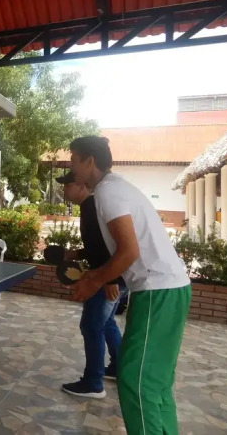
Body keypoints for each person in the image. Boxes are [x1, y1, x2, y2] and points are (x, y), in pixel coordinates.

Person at [69, 136, 191, 434]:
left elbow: (128, 252)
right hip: (169, 289)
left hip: (157, 291)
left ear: (89, 161)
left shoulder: (108, 191)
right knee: (156, 382)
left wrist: (96, 282)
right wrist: (95, 275)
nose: (71, 167)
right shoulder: (116, 187)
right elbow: (124, 252)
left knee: (137, 382)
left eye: (74, 160)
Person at [55, 171, 128, 398]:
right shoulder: (91, 206)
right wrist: (73, 254)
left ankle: (93, 383)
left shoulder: (90, 207)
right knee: (106, 323)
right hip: (117, 275)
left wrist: (109, 280)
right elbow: (97, 245)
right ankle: (118, 367)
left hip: (110, 278)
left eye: (68, 185)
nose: (64, 190)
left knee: (91, 326)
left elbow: (107, 247)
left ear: (81, 186)